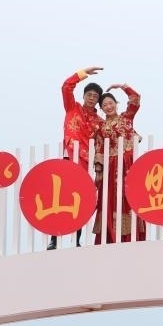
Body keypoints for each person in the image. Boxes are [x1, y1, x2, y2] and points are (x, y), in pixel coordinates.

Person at [49, 66, 103, 251]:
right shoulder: (73, 108)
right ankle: (54, 239)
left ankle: (76, 239)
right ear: (84, 95)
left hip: (85, 163)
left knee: (78, 200)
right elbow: (66, 87)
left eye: (95, 96)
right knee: (59, 197)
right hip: (69, 159)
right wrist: (82, 73)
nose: (92, 98)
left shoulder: (99, 122)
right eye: (89, 94)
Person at [93, 84, 143, 245]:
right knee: (111, 198)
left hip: (129, 163)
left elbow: (135, 98)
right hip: (111, 166)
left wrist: (122, 86)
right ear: (102, 109)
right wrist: (99, 170)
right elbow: (99, 148)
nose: (108, 107)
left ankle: (130, 236)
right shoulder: (101, 127)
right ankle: (111, 236)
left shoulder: (126, 118)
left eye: (110, 103)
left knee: (129, 196)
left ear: (116, 103)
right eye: (104, 105)